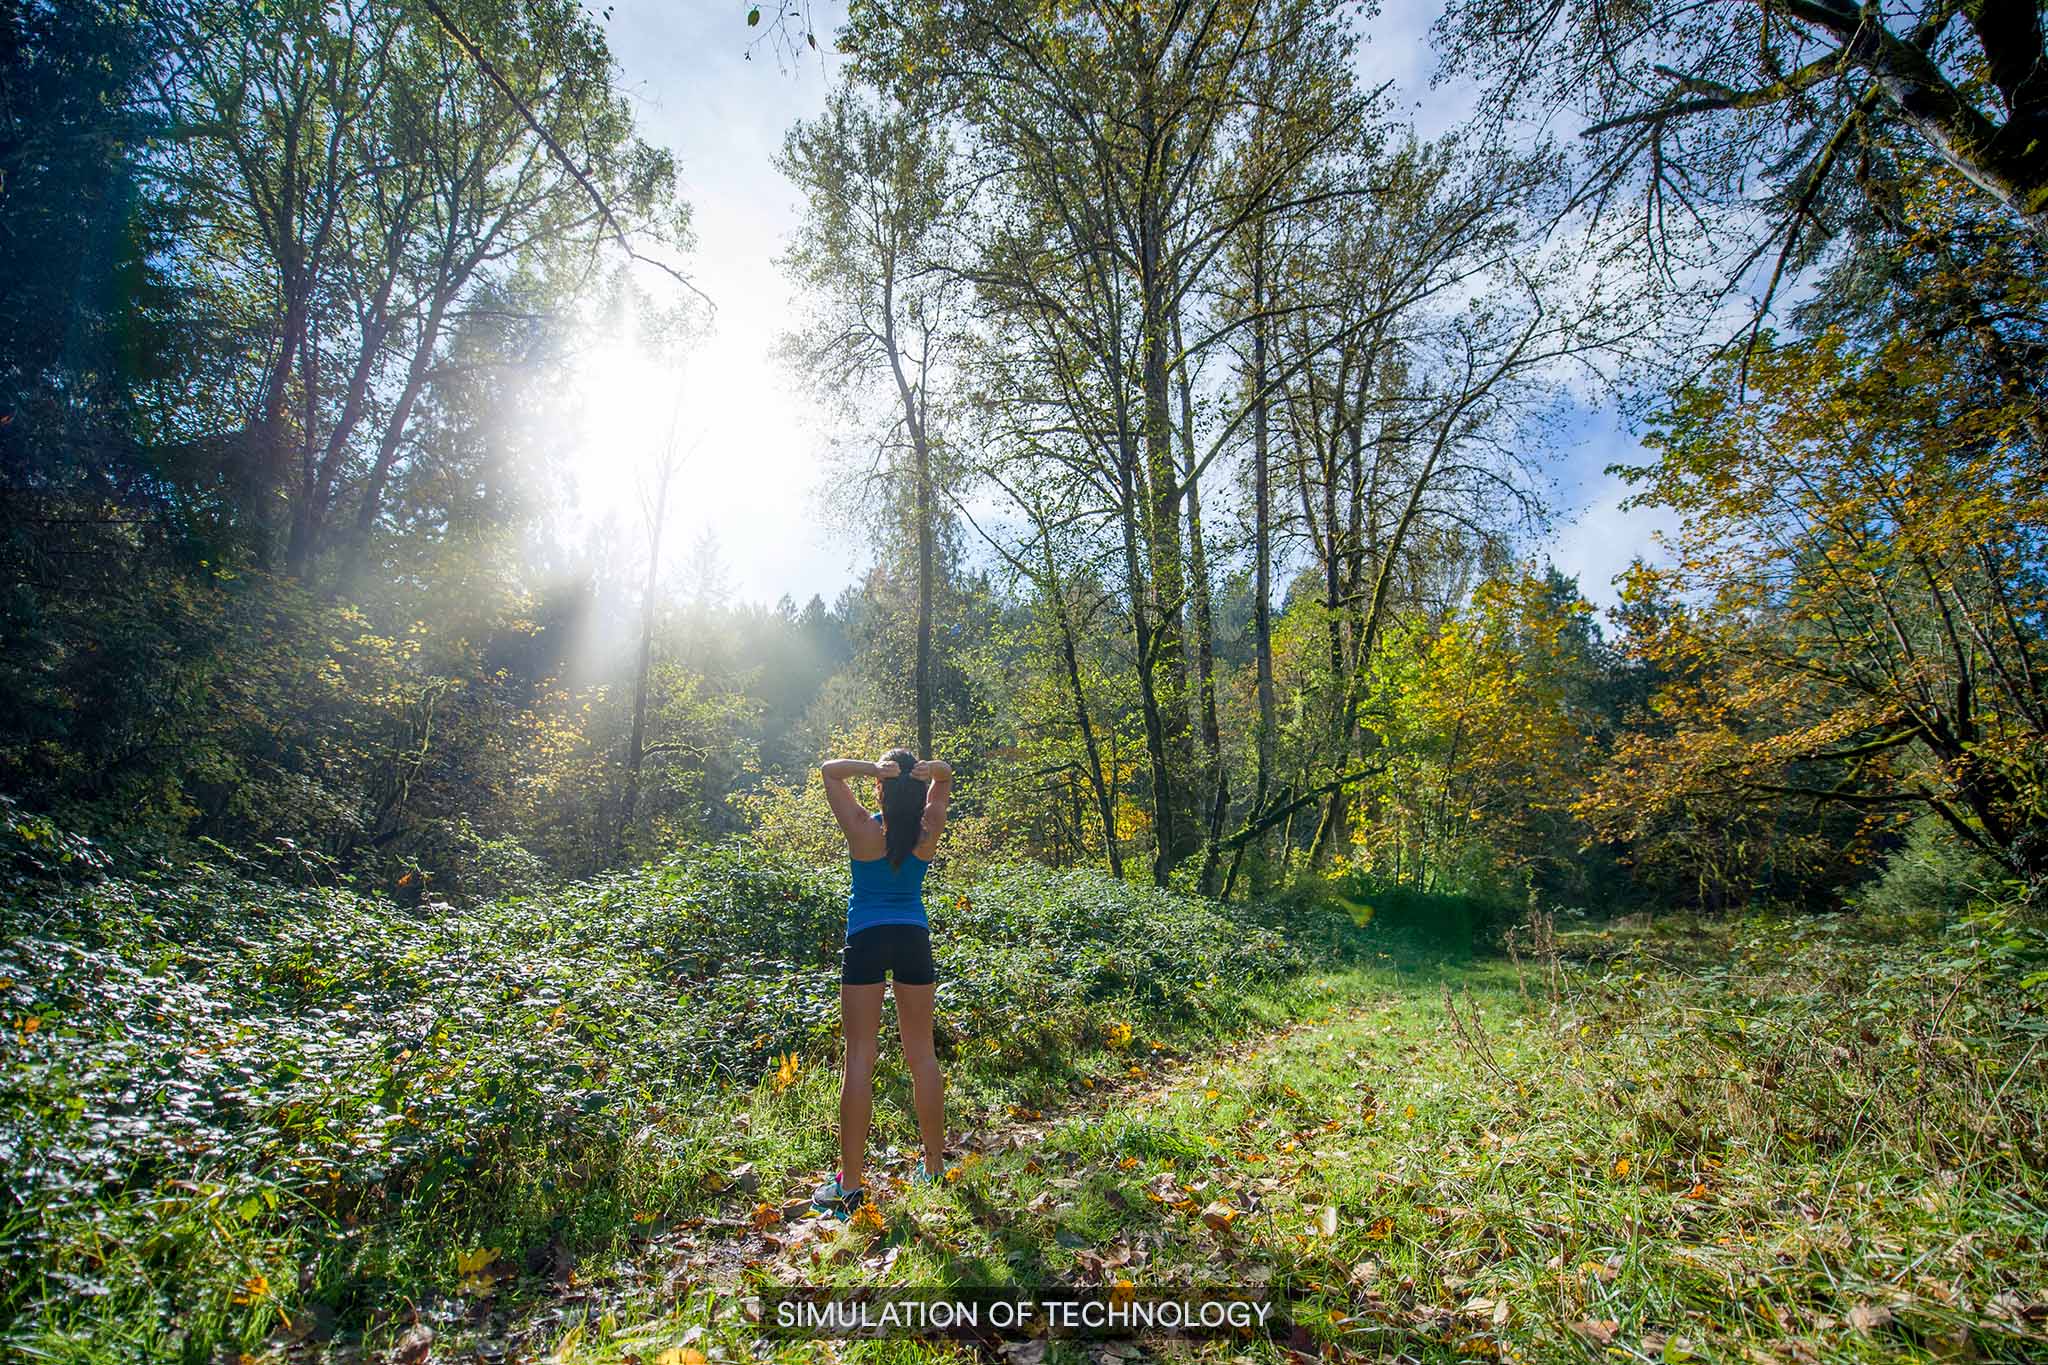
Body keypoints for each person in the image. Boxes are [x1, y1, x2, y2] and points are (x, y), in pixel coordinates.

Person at [810, 748, 951, 1218]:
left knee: (860, 1059)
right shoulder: (926, 833)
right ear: (918, 787)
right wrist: (932, 773)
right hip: (912, 938)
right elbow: (945, 781)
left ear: (880, 789)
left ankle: (849, 1187)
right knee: (922, 1054)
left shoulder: (864, 830)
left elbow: (830, 772)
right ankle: (933, 1170)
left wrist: (871, 768)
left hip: (867, 940)